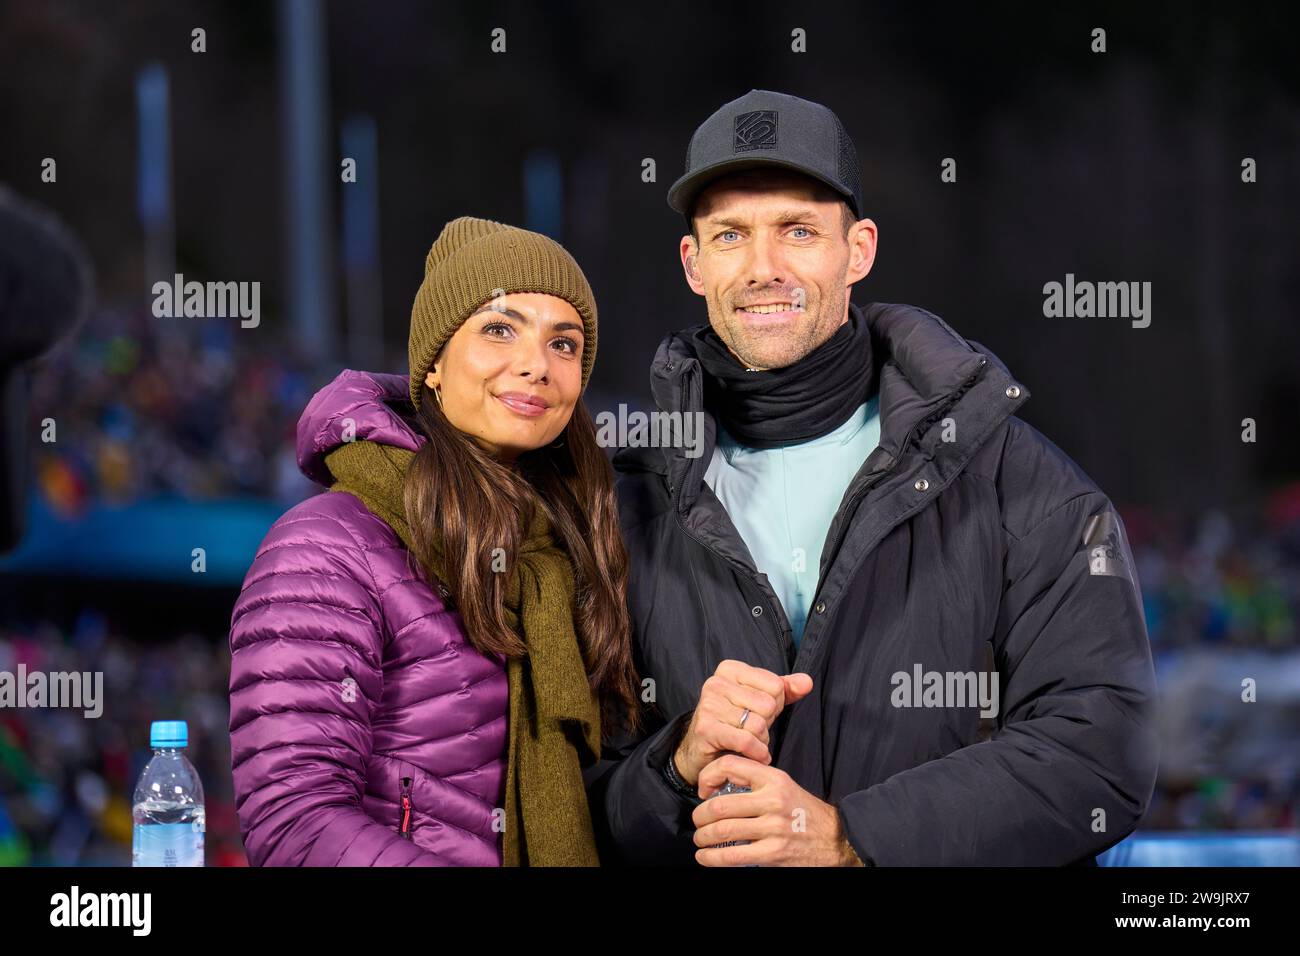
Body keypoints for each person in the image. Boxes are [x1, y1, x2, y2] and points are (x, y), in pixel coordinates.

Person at [585, 89, 1160, 866]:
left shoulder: (1016, 480)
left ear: (857, 250)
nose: (763, 268)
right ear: (694, 263)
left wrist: (853, 838)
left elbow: (1101, 752)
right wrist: (673, 766)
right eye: (730, 234)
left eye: (798, 230)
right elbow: (573, 803)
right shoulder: (624, 508)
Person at [229, 216, 639, 865]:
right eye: (500, 329)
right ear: (436, 365)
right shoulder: (329, 544)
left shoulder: (565, 551)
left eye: (564, 344)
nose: (536, 365)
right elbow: (292, 822)